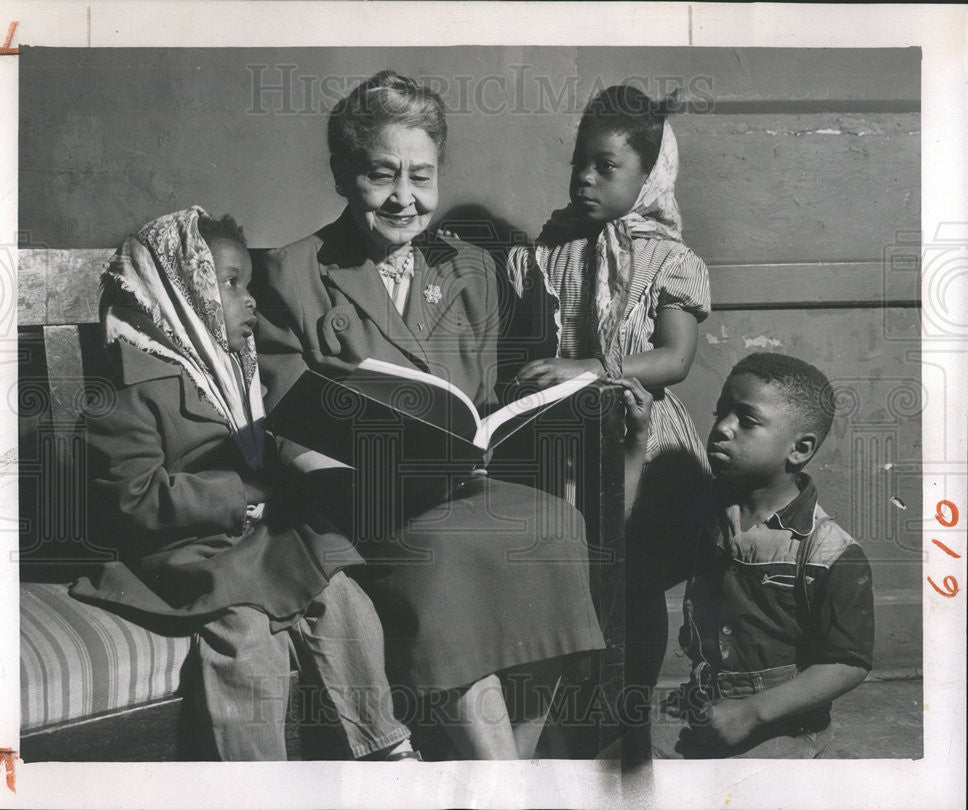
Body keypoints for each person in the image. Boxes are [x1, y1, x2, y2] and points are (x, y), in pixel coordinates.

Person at [254, 70, 605, 759]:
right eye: (383, 176)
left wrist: (544, 399)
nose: (404, 198)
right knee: (448, 555)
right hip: (358, 503)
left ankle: (510, 772)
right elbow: (283, 419)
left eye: (422, 175)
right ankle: (500, 780)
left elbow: (478, 401)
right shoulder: (292, 274)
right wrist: (349, 472)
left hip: (456, 485)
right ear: (342, 174)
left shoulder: (469, 269)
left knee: (556, 523)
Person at [70, 206, 419, 762]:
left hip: (247, 538)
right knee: (245, 634)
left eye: (247, 285)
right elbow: (133, 499)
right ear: (179, 296)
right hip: (179, 551)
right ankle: (255, 784)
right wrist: (246, 494)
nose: (250, 299)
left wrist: (313, 466)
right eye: (231, 284)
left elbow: (268, 448)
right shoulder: (130, 391)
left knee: (340, 589)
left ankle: (382, 744)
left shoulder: (236, 374)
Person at [503, 84, 713, 756]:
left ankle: (628, 716)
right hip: (560, 439)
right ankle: (568, 717)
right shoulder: (554, 247)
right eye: (580, 163)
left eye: (607, 166)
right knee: (569, 577)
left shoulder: (668, 259)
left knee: (634, 579)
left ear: (648, 176)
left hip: (637, 436)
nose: (586, 178)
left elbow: (674, 359)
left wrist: (592, 367)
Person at [617, 353, 875, 758]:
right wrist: (636, 441)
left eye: (746, 421)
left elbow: (847, 663)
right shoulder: (706, 515)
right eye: (721, 413)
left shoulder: (830, 550)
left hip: (783, 726)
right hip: (703, 707)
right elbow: (630, 553)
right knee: (614, 761)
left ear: (800, 449)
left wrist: (753, 712)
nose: (721, 428)